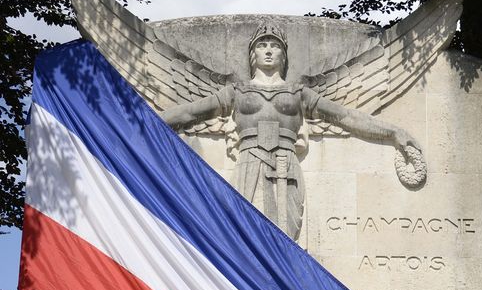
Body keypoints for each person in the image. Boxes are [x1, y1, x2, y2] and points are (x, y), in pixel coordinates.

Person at [162, 25, 420, 239]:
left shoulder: (298, 93)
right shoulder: (237, 92)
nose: (268, 50)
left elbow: (345, 116)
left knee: (286, 239)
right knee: (245, 235)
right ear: (253, 54)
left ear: (283, 54)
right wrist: (141, 119)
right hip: (249, 164)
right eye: (262, 45)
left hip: (287, 165)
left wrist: (392, 131)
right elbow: (189, 113)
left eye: (274, 45)